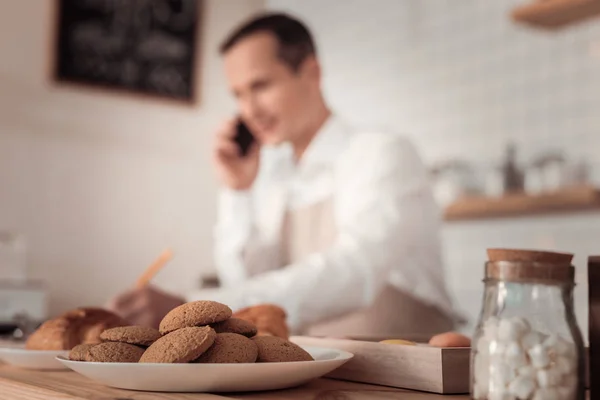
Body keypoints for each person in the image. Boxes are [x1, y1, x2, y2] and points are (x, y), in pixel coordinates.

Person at [107, 12, 463, 337]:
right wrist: (238, 191)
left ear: (311, 73)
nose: (249, 111)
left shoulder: (380, 153)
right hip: (322, 372)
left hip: (412, 373)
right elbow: (249, 289)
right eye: (238, 95)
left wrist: (195, 307)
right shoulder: (273, 175)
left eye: (261, 86)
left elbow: (356, 272)